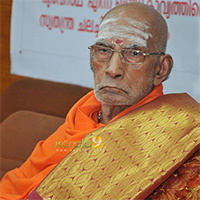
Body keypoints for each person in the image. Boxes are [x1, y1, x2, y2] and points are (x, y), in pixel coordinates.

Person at [0, 2, 199, 200]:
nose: (113, 70)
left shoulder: (174, 134)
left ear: (160, 69)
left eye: (134, 53)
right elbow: (18, 184)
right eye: (103, 50)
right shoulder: (83, 115)